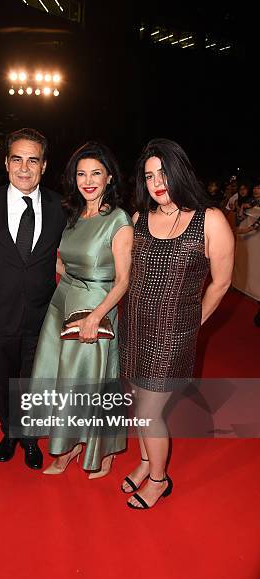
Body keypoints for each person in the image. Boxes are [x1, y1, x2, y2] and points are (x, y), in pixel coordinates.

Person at [119, 138, 234, 509]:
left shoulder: (209, 219)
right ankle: (143, 461)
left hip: (174, 334)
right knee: (139, 403)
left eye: (164, 172)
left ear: (180, 171)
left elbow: (221, 282)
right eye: (149, 175)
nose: (157, 182)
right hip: (134, 327)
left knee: (150, 411)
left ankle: (158, 479)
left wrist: (194, 322)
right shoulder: (139, 218)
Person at [27, 141, 133, 477]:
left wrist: (96, 316)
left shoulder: (118, 220)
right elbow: (63, 262)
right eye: (81, 173)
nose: (88, 180)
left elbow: (123, 281)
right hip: (64, 300)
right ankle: (68, 445)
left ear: (109, 178)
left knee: (90, 383)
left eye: (96, 174)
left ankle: (101, 450)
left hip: (94, 305)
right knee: (62, 380)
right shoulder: (72, 215)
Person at [0, 128, 66, 470]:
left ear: (43, 166)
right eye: (17, 159)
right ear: (7, 162)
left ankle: (29, 437)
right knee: (4, 379)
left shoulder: (59, 206)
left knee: (34, 380)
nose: (24, 168)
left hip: (43, 314)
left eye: (32, 160)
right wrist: (0, 258)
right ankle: (8, 432)